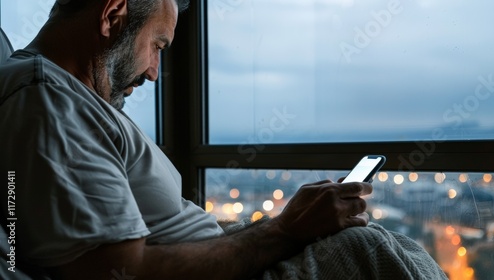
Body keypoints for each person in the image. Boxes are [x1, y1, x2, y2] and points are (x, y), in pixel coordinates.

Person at [0, 0, 447, 279]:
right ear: (112, 15)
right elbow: (117, 272)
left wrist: (283, 228)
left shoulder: (65, 96)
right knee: (373, 250)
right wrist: (284, 231)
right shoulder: (47, 97)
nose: (155, 72)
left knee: (375, 244)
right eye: (157, 45)